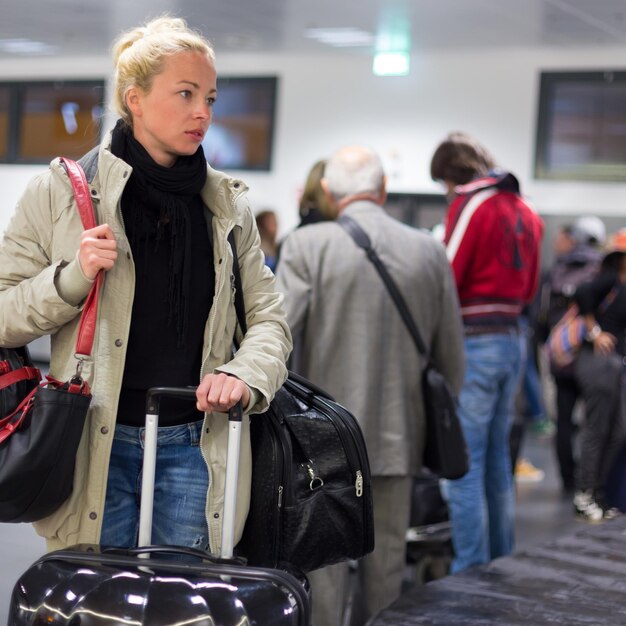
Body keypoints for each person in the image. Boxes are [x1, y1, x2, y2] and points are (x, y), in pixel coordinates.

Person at [0, 15, 291, 553]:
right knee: (98, 606)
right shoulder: (60, 193)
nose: (202, 111)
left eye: (210, 97)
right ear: (134, 99)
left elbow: (270, 319)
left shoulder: (228, 207)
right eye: (185, 93)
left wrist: (244, 374)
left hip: (197, 448)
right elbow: (4, 312)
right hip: (92, 445)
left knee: (183, 602)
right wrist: (71, 279)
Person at [276, 145, 465, 625]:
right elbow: (451, 360)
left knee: (324, 565)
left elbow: (279, 339)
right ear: (382, 190)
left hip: (322, 441)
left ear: (330, 194)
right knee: (386, 567)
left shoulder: (307, 247)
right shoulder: (428, 251)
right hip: (400, 435)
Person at [430, 131, 543, 573]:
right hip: (514, 339)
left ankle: (469, 570)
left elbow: (448, 272)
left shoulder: (471, 202)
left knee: (465, 467)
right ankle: (499, 563)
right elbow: (532, 286)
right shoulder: (526, 208)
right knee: (498, 461)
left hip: (476, 342)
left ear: (452, 175)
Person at [536, 218, 606, 493]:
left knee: (563, 421)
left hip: (560, 355)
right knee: (593, 422)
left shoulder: (558, 268)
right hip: (590, 356)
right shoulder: (602, 269)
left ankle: (567, 478)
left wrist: (549, 343)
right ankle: (588, 480)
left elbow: (541, 313)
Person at [570, 228, 626, 522]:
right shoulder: (610, 279)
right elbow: (581, 294)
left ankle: (598, 494)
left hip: (615, 365)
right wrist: (595, 332)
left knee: (617, 431)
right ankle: (584, 494)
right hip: (598, 361)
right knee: (597, 429)